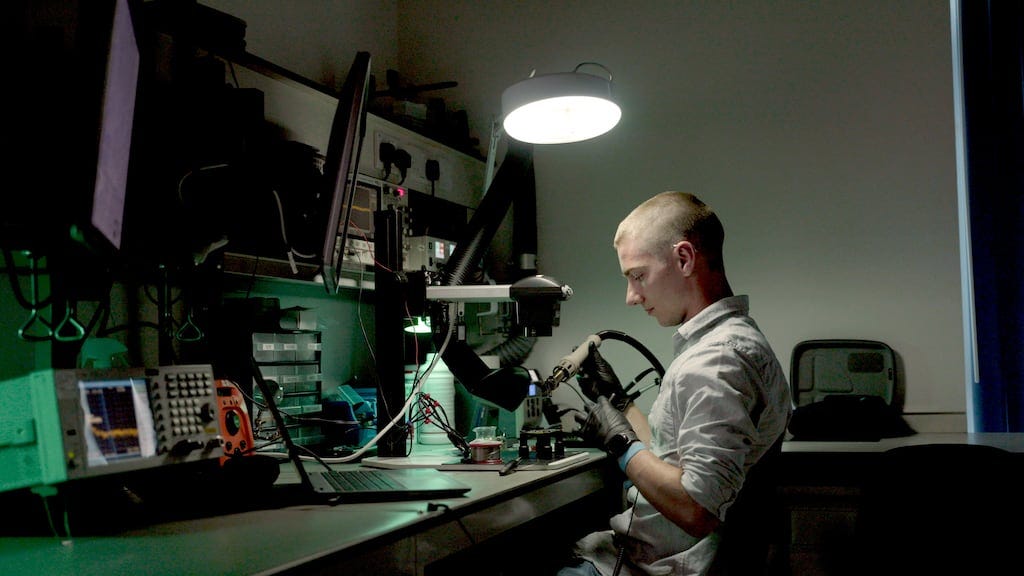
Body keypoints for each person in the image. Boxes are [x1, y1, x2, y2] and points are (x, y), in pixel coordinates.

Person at [558, 191, 792, 576]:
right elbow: (672, 461)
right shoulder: (727, 342)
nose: (632, 297)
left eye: (638, 276)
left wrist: (620, 443)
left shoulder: (717, 360)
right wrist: (618, 403)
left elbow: (696, 508)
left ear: (684, 259)